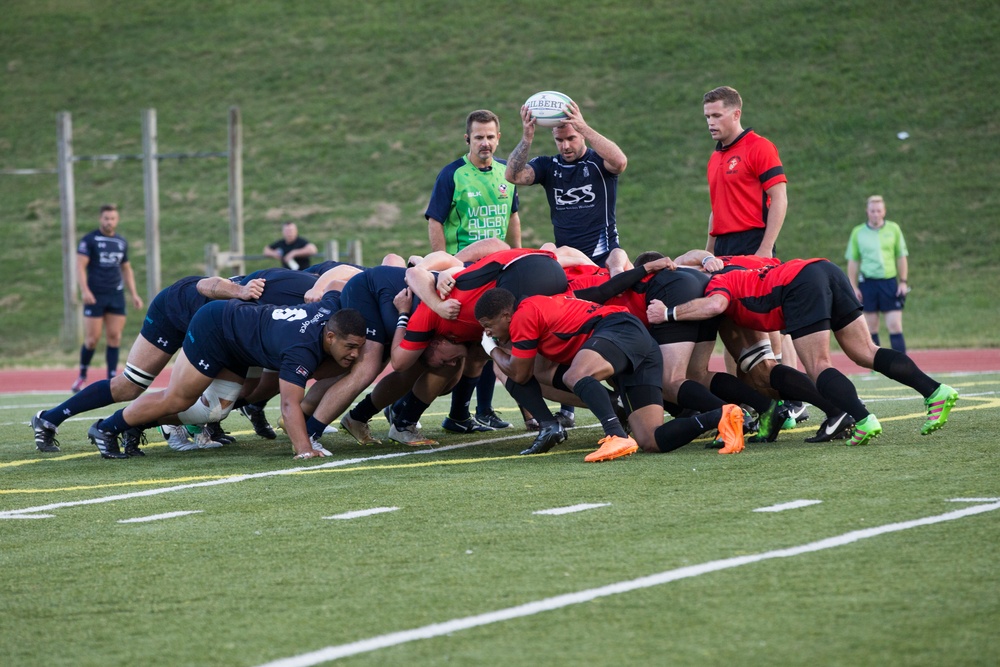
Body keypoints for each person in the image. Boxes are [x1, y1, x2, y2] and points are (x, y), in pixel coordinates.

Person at [650, 258, 959, 445]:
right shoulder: (735, 264)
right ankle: (934, 391)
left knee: (818, 365)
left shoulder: (718, 282)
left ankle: (862, 418)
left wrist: (668, 313)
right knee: (865, 351)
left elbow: (715, 304)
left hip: (800, 286)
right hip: (824, 269)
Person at [476, 289, 747, 460]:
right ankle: (722, 415)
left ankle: (615, 434)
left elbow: (519, 373)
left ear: (506, 314)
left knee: (576, 374)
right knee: (651, 440)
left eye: (489, 325)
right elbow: (537, 373)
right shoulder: (535, 309)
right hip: (634, 342)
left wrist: (491, 350)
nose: (488, 332)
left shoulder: (525, 314)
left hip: (619, 329)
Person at [87, 297, 367, 460]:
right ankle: (107, 428)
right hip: (216, 327)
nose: (355, 354)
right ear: (330, 336)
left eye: (359, 347)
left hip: (239, 341)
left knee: (213, 412)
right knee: (178, 398)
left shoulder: (331, 312)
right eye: (351, 347)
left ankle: (136, 424)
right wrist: (305, 451)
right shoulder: (301, 350)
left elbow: (331, 290)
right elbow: (288, 406)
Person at [30, 275, 265, 454]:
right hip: (176, 309)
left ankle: (204, 425)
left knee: (244, 389)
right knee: (130, 385)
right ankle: (49, 418)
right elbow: (205, 284)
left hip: (211, 324)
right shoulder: (281, 292)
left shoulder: (286, 295)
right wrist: (240, 290)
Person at [701, 85, 807, 424]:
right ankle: (749, 405)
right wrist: (707, 253)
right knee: (732, 328)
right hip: (725, 251)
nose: (711, 122)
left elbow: (780, 198)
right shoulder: (715, 157)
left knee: (771, 326)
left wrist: (764, 249)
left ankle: (794, 399)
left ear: (736, 114)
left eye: (716, 115)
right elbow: (716, 210)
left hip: (755, 245)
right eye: (706, 117)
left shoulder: (759, 147)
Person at [425, 109, 522, 428]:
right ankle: (441, 411)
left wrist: (518, 255)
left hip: (497, 270)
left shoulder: (508, 172)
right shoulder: (452, 174)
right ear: (467, 139)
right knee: (468, 343)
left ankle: (476, 412)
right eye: (478, 137)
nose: (485, 142)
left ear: (499, 138)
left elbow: (512, 216)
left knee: (490, 339)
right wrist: (441, 267)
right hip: (463, 272)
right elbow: (435, 220)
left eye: (490, 137)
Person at [504, 98, 628, 267]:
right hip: (568, 260)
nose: (566, 146)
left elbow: (620, 162)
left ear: (582, 135)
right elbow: (513, 176)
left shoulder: (598, 161)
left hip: (604, 257)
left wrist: (583, 126)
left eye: (571, 138)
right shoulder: (547, 165)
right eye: (559, 140)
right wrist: (527, 138)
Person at [72, 204, 144, 393]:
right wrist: (85, 290)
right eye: (106, 218)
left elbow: (126, 269)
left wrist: (134, 294)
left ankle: (111, 378)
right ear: (100, 219)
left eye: (112, 218)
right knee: (92, 340)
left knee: (114, 337)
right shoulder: (89, 240)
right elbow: (79, 266)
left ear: (117, 220)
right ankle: (82, 376)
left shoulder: (121, 242)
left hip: (116, 295)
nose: (109, 222)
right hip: (95, 296)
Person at [846, 195, 910, 353]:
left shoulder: (893, 229)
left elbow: (901, 256)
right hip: (868, 283)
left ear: (884, 212)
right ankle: (876, 366)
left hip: (888, 282)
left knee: (895, 325)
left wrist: (902, 281)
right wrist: (853, 286)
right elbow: (853, 261)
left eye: (878, 211)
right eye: (872, 211)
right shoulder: (858, 232)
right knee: (871, 327)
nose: (875, 214)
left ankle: (902, 365)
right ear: (867, 212)